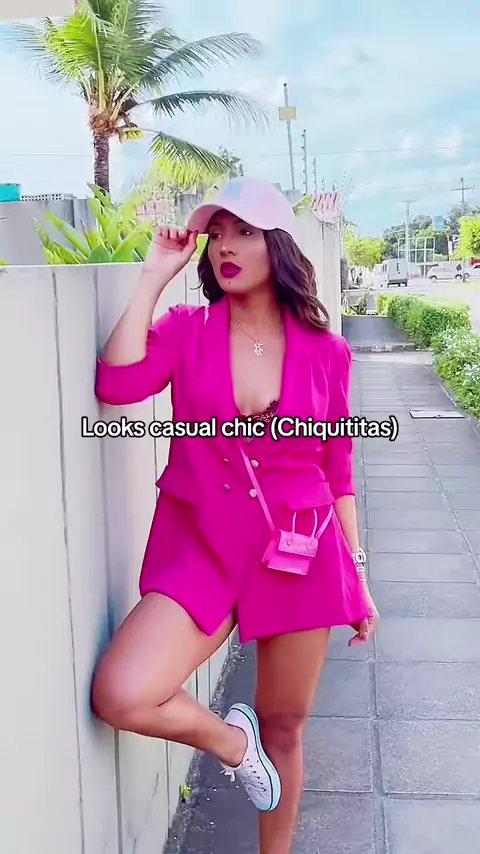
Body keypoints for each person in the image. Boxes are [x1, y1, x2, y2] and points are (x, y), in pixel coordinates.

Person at [91, 177, 379, 854]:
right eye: (216, 234)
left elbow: (336, 469)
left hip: (301, 548)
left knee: (284, 728)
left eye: (244, 232)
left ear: (277, 245)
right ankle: (231, 744)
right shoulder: (187, 330)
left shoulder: (327, 350)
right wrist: (154, 277)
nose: (225, 246)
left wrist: (357, 574)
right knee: (122, 692)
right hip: (203, 544)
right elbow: (118, 385)